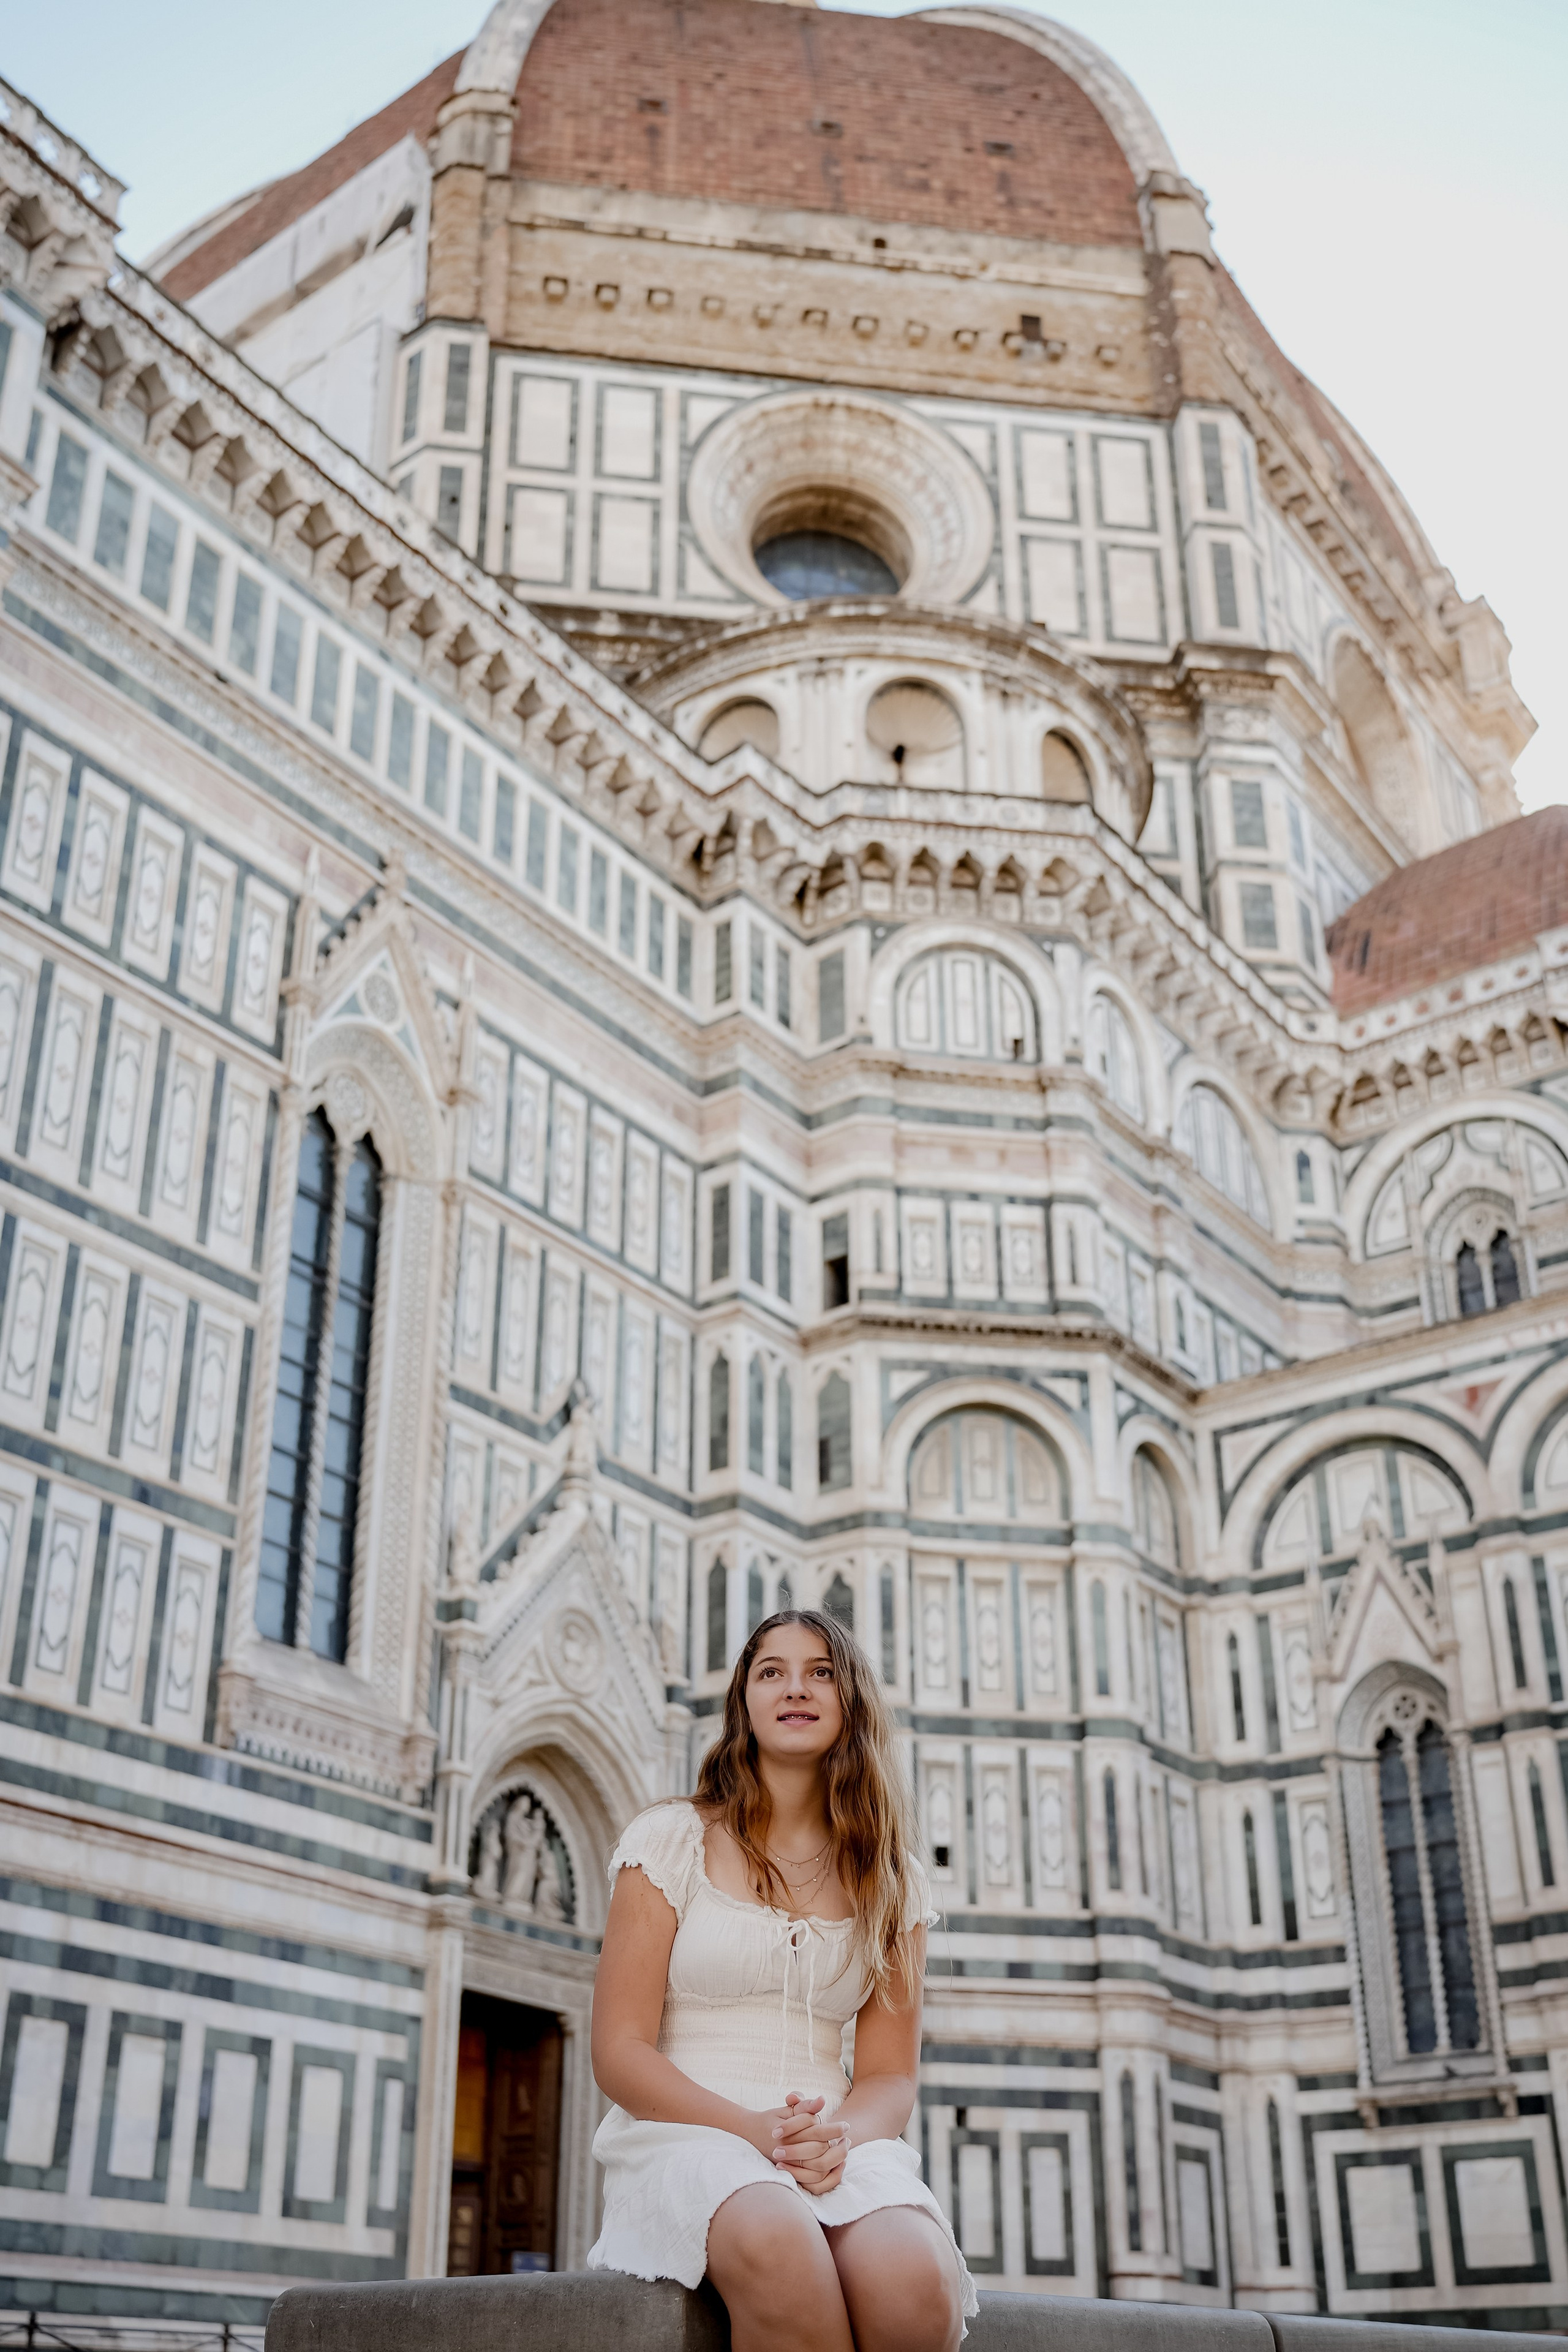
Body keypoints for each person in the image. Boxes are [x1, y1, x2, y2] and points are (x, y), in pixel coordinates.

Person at [589, 1608, 974, 2351]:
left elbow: (890, 2077)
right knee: (777, 2240)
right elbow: (620, 2051)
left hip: (836, 2142)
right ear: (745, 1702)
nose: (795, 1688)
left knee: (915, 2280)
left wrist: (829, 2141)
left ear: (850, 1701)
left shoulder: (894, 1882)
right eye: (772, 1672)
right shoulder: (670, 1841)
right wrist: (753, 2131)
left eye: (820, 1672)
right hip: (687, 2133)